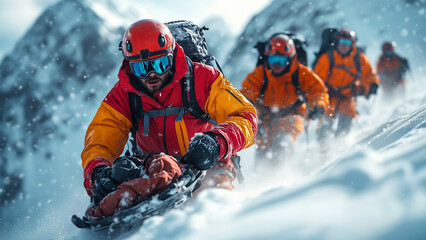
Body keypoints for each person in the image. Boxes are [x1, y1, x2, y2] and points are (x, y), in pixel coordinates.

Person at [81, 19, 257, 220]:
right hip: (152, 170)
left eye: (160, 64)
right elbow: (100, 140)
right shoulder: (123, 94)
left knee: (211, 217)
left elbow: (246, 117)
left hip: (207, 166)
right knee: (122, 179)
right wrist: (97, 173)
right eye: (141, 68)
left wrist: (216, 143)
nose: (151, 74)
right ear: (130, 66)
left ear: (172, 55)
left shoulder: (202, 79)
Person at [240, 34, 329, 167]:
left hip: (293, 116)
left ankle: (284, 179)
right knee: (262, 154)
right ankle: (261, 181)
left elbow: (317, 90)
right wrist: (247, 110)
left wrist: (318, 105)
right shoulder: (259, 74)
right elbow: (246, 93)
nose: (276, 65)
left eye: (281, 60)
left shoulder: (301, 73)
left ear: (290, 59)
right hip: (265, 119)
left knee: (283, 143)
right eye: (272, 60)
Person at [314, 29, 380, 139]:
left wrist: (373, 83)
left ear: (352, 44)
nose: (344, 45)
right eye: (341, 42)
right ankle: (322, 151)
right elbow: (317, 81)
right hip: (329, 97)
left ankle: (339, 146)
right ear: (336, 43)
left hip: (348, 96)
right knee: (325, 127)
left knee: (345, 122)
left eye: (348, 43)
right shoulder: (327, 57)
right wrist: (317, 100)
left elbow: (369, 73)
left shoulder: (359, 57)